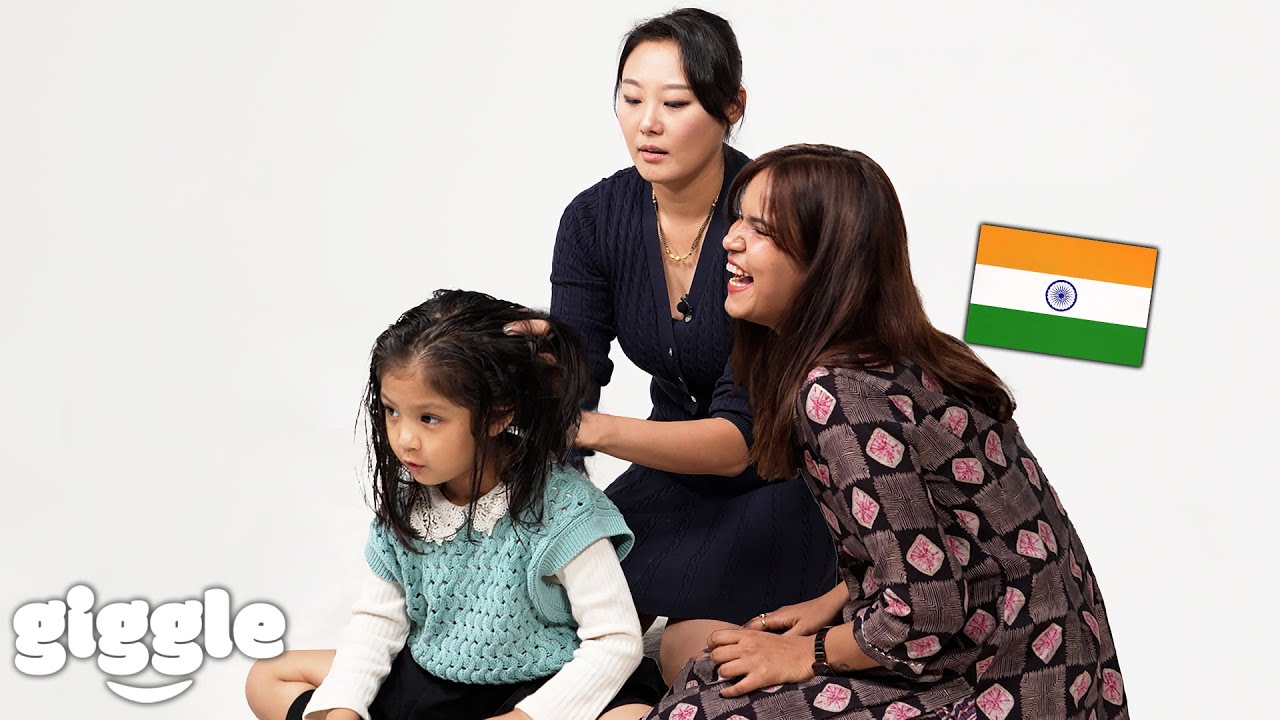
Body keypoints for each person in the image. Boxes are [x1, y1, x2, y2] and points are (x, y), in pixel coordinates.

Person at [645, 145, 1128, 719]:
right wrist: (835, 600)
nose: (731, 240)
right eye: (738, 218)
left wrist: (805, 654)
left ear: (825, 262)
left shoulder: (839, 394)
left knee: (704, 706)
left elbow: (924, 610)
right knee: (708, 666)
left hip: (1000, 688)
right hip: (1064, 671)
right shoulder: (900, 356)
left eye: (764, 229)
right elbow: (945, 546)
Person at [539, 8, 836, 678]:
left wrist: (584, 427)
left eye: (676, 102)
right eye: (631, 98)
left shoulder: (770, 221)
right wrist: (560, 514)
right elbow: (570, 381)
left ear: (732, 106)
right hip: (669, 473)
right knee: (571, 614)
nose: (648, 123)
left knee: (688, 651)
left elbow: (740, 443)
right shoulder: (594, 219)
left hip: (785, 480)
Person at [245, 290, 665, 720]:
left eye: (429, 418)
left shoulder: (564, 507)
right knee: (268, 677)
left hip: (544, 683)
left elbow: (615, 640)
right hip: (438, 682)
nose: (405, 438)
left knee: (629, 717)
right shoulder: (409, 504)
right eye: (392, 411)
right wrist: (342, 710)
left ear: (500, 414)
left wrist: (524, 718)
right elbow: (378, 622)